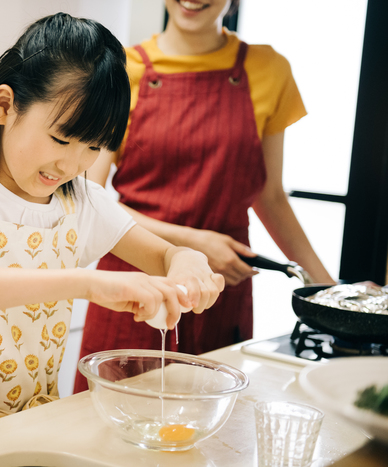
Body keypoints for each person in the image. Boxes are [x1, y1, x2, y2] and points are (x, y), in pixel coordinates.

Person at [0, 12, 225, 448]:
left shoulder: (79, 201)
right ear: (4, 106)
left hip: (38, 432)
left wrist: (187, 261)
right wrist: (87, 282)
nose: (73, 165)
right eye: (62, 139)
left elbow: (164, 256)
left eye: (94, 147)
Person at [73, 0, 335, 393]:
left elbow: (271, 196)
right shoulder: (121, 70)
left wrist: (330, 294)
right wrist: (194, 243)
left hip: (221, 291)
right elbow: (87, 198)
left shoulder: (268, 70)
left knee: (212, 437)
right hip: (134, 287)